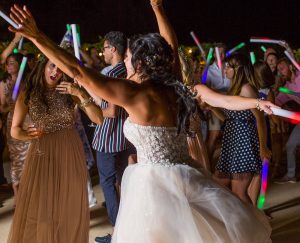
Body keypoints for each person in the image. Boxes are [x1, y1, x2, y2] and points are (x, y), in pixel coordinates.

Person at [10, 3, 276, 242]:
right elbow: (222, 97)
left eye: (127, 56)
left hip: (152, 185)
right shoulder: (173, 87)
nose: (124, 59)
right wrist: (158, 8)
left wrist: (37, 36)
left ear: (139, 63)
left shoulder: (133, 93)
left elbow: (77, 71)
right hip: (187, 174)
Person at [8, 55, 103, 242]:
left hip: (70, 150)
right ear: (43, 66)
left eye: (60, 69)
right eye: (52, 66)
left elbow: (98, 119)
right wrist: (28, 135)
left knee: (68, 206)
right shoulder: (29, 93)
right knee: (43, 206)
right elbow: (14, 130)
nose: (56, 72)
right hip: (42, 152)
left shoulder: (70, 91)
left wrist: (80, 93)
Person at [0, 53, 30, 206]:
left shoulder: (28, 81)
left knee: (31, 157)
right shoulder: (3, 83)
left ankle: (32, 193)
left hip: (28, 120)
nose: (9, 65)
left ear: (20, 64)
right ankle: (18, 196)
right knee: (16, 159)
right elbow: (2, 108)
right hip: (13, 122)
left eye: (12, 62)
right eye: (7, 63)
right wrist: (10, 104)